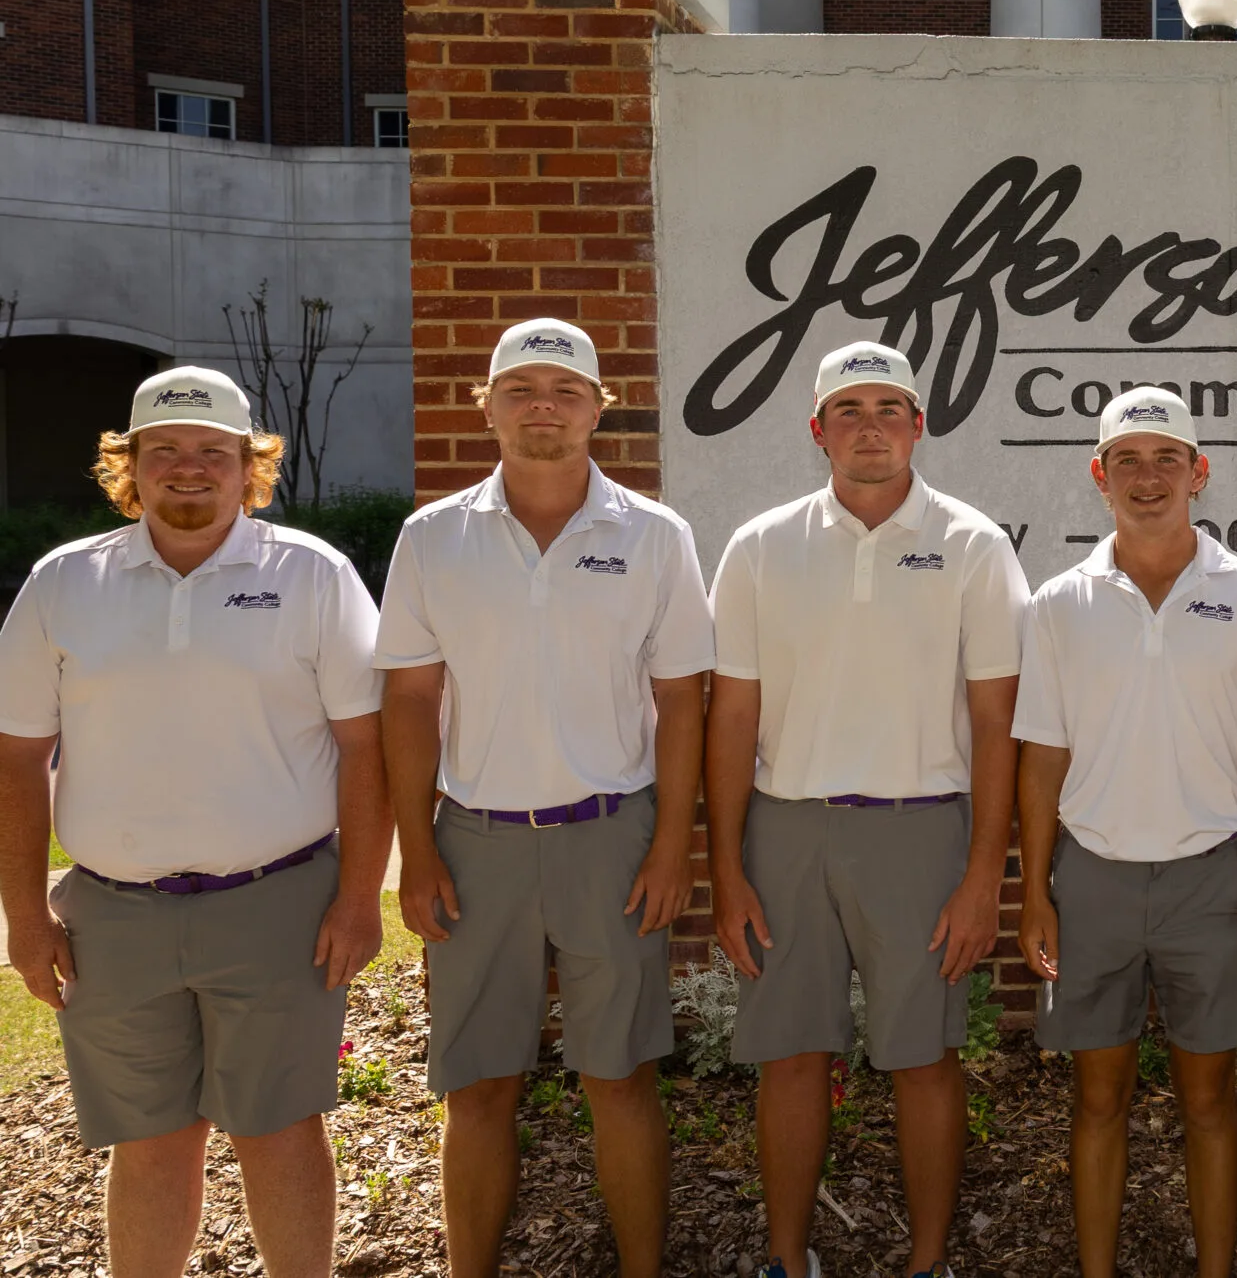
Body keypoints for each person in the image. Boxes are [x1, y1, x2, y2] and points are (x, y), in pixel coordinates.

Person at [0, 367, 390, 1278]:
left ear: (247, 466)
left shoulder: (313, 575)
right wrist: (24, 914)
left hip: (278, 906)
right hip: (113, 917)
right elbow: (16, 756)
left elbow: (367, 750)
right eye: (164, 450)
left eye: (213, 453)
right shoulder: (65, 584)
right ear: (128, 465)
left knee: (281, 1128)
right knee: (150, 1142)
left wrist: (359, 898)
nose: (188, 469)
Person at [377, 318, 714, 1278]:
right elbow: (409, 697)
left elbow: (682, 698)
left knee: (621, 1078)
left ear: (598, 409)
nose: (542, 409)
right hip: (474, 842)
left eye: (565, 392)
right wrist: (419, 848)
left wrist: (669, 847)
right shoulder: (432, 538)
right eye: (520, 389)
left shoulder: (655, 535)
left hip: (611, 836)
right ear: (485, 405)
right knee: (478, 1088)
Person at [707, 340, 1030, 1278]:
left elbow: (996, 720)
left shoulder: (973, 543)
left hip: (921, 828)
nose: (871, 426)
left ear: (919, 424)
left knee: (923, 1058)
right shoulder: (760, 545)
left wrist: (984, 876)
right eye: (849, 410)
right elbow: (732, 713)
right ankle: (786, 1258)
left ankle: (929, 1262)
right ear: (817, 429)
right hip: (787, 828)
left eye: (890, 408)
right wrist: (725, 867)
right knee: (792, 1055)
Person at [1014, 387, 1237, 1278]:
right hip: (1092, 876)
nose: (1148, 478)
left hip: (1207, 877)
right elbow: (1040, 760)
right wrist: (1035, 893)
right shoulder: (1059, 602)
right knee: (1097, 1100)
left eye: (1166, 458)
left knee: (1208, 1100)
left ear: (1198, 472)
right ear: (1099, 476)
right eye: (1128, 460)